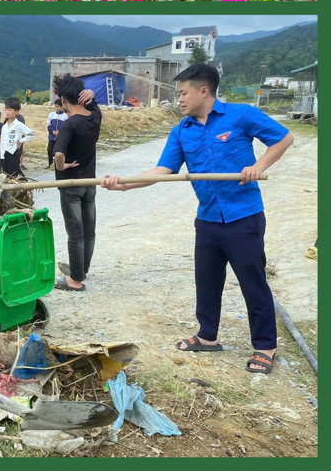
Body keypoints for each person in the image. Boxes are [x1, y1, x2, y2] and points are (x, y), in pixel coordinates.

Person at [101, 63, 293, 375]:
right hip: (207, 219)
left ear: (204, 91)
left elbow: (283, 138)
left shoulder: (240, 115)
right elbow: (162, 172)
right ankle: (207, 336)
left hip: (243, 215)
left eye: (183, 93)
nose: (179, 100)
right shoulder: (182, 132)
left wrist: (258, 165)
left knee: (252, 281)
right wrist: (123, 183)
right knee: (206, 280)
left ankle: (265, 345)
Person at [51, 76, 103, 292]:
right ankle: (81, 270)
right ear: (83, 96)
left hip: (71, 185)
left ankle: (75, 280)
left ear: (63, 99)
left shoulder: (70, 123)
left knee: (75, 232)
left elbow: (58, 154)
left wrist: (61, 167)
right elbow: (94, 106)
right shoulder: (95, 117)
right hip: (90, 183)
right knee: (88, 230)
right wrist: (92, 97)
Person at [0, 97, 35, 176]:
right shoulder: (4, 126)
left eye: (10, 110)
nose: (7, 112)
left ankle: (25, 187)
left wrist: (21, 141)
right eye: (6, 110)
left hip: (12, 153)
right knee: (5, 175)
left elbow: (32, 134)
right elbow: (3, 141)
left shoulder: (19, 124)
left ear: (16, 112)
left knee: (15, 174)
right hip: (3, 154)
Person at [46, 99, 67, 167]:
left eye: (58, 106)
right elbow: (48, 125)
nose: (56, 108)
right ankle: (50, 163)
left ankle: (57, 163)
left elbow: (66, 127)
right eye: (55, 107)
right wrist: (52, 131)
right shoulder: (52, 115)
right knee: (49, 149)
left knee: (58, 150)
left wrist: (60, 132)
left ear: (61, 107)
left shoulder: (65, 116)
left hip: (60, 137)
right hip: (52, 136)